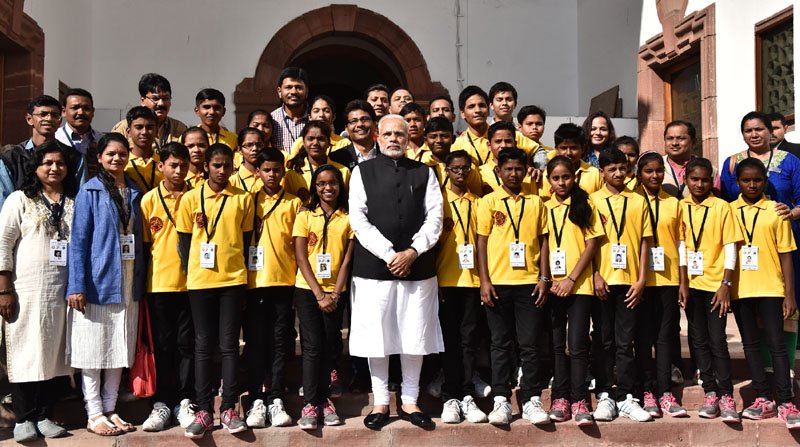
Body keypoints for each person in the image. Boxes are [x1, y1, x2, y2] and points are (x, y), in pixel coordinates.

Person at [348, 114, 444, 430]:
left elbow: (435, 219)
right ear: (377, 136)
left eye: (399, 134)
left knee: (413, 334)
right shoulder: (361, 172)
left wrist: (412, 252)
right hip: (375, 269)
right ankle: (380, 401)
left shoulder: (425, 173)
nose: (393, 139)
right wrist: (391, 255)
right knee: (378, 336)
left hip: (418, 268)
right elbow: (358, 220)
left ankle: (410, 399)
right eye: (387, 133)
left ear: (407, 137)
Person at [66, 132, 145, 436]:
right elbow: (79, 242)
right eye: (110, 153)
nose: (117, 158)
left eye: (122, 154)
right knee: (92, 348)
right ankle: (94, 411)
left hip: (128, 280)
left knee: (119, 345)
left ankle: (111, 408)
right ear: (99, 158)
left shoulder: (135, 191)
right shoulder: (91, 191)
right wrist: (76, 285)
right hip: (99, 279)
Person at [176, 143, 255, 438]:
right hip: (200, 282)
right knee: (202, 345)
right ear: (206, 166)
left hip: (233, 280)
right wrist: (195, 271)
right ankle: (204, 409)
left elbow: (247, 240)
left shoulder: (243, 199)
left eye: (227, 166)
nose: (222, 171)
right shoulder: (189, 199)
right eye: (216, 165)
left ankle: (230, 408)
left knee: (230, 345)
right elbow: (184, 244)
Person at [0, 142, 77, 441]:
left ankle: (45, 414)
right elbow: (3, 243)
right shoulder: (20, 199)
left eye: (60, 163)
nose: (54, 168)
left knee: (55, 354)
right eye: (47, 163)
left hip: (62, 292)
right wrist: (4, 289)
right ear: (36, 167)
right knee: (25, 351)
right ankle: (24, 418)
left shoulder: (72, 201)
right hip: (26, 290)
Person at [719, 111, 800, 374]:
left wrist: (791, 213)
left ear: (771, 131)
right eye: (748, 130)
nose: (754, 134)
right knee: (751, 308)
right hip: (741, 244)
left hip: (784, 240)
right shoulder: (732, 163)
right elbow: (725, 202)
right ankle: (763, 368)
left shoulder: (790, 161)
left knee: (786, 306)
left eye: (759, 129)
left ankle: (784, 365)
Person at [476, 147, 550, 426]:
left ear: (526, 171)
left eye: (519, 168)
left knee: (529, 344)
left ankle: (531, 398)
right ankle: (501, 399)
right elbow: (481, 242)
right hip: (497, 283)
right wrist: (485, 280)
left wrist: (544, 278)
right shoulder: (489, 202)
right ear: (498, 171)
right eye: (508, 169)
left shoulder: (536, 202)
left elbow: (544, 241)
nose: (514, 173)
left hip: (529, 284)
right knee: (500, 343)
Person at [730, 158, 800, 429]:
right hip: (740, 289)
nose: (751, 184)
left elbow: (786, 256)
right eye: (746, 180)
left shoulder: (776, 211)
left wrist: (789, 294)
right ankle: (762, 397)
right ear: (737, 182)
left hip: (771, 287)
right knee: (750, 344)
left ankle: (785, 400)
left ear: (764, 182)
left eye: (757, 180)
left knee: (776, 344)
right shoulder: (728, 210)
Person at [590, 147, 654, 422]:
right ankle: (605, 393)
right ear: (601, 172)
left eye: (622, 168)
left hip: (629, 282)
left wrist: (641, 280)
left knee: (625, 341)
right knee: (603, 340)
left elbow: (644, 242)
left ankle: (627, 396)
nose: (618, 173)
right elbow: (587, 243)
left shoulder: (639, 201)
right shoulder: (592, 200)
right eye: (611, 169)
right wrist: (594, 274)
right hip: (601, 281)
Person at [680, 157, 742, 423]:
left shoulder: (722, 207)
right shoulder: (680, 207)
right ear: (686, 180)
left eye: (705, 179)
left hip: (716, 284)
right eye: (694, 179)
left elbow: (731, 247)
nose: (700, 184)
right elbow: (681, 246)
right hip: (692, 285)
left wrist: (726, 284)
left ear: (712, 180)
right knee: (698, 339)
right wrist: (683, 283)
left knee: (717, 339)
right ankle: (710, 391)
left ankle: (726, 394)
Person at [139, 142, 196, 432]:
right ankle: (162, 402)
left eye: (183, 164)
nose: (178, 170)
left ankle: (184, 400)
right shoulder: (148, 200)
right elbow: (144, 246)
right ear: (160, 166)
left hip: (193, 284)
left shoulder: (197, 196)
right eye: (172, 164)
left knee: (187, 345)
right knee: (162, 346)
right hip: (159, 283)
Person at [292, 165, 354, 430]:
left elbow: (347, 261)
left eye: (332, 183)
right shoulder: (305, 215)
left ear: (340, 186)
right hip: (308, 290)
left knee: (331, 344)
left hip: (334, 291)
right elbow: (301, 256)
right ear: (314, 187)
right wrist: (319, 294)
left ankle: (326, 399)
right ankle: (311, 402)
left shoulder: (348, 217)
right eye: (320, 184)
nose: (327, 188)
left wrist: (335, 293)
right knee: (312, 346)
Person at [544, 155, 604, 426]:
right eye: (555, 178)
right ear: (548, 181)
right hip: (554, 286)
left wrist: (571, 279)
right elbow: (544, 244)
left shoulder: (585, 204)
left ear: (575, 177)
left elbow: (591, 245)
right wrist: (548, 279)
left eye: (566, 177)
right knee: (557, 346)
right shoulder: (545, 207)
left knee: (577, 345)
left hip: (579, 286)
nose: (561, 182)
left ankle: (581, 400)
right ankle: (560, 398)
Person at [243, 148, 300, 428]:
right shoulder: (248, 201)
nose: (272, 175)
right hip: (253, 283)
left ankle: (276, 397)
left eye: (277, 170)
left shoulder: (293, 203)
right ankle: (255, 397)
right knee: (255, 341)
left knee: (280, 342)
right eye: (266, 170)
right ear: (257, 172)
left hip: (284, 280)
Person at [634, 152, 689, 418]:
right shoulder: (632, 201)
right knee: (643, 337)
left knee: (665, 337)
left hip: (667, 279)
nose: (654, 176)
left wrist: (683, 280)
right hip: (640, 281)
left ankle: (666, 391)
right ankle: (646, 390)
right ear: (639, 173)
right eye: (648, 171)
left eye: (658, 171)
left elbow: (681, 243)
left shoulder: (674, 203)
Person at [436, 150, 489, 425]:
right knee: (448, 340)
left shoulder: (479, 203)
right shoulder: (438, 201)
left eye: (465, 169)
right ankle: (450, 395)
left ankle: (467, 393)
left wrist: (484, 281)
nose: (460, 173)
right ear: (446, 170)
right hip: (445, 280)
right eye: (455, 168)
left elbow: (484, 244)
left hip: (472, 281)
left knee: (469, 340)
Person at [0, 95, 81, 210]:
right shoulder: (11, 157)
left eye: (54, 115)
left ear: (59, 121)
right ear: (29, 119)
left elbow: (81, 198)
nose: (48, 119)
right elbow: (4, 203)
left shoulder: (73, 156)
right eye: (42, 114)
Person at [451, 86, 537, 167]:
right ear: (462, 114)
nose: (477, 110)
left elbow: (538, 151)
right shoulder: (457, 146)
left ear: (488, 110)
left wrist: (538, 170)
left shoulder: (508, 135)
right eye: (471, 106)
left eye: (482, 105)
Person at [110, 73, 188, 150]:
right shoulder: (123, 128)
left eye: (165, 98)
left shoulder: (180, 128)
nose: (161, 103)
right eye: (155, 99)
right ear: (142, 100)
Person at [285, 120, 350, 203]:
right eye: (310, 139)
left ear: (328, 143)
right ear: (303, 143)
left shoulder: (343, 172)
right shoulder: (293, 175)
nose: (315, 143)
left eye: (321, 139)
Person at [539, 123, 603, 200]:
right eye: (564, 148)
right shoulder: (547, 174)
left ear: (582, 149)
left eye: (573, 148)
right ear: (556, 149)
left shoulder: (594, 173)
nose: (568, 153)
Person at [422, 117, 482, 196]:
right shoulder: (421, 167)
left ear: (453, 139)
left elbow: (477, 196)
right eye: (433, 137)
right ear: (425, 140)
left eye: (444, 136)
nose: (439, 140)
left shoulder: (468, 168)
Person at [660, 120, 720, 199]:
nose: (674, 143)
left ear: (694, 142)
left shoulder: (709, 169)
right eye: (670, 138)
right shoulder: (656, 167)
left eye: (681, 138)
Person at [56, 88, 103, 184]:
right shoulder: (55, 138)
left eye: (86, 108)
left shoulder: (102, 140)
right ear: (64, 111)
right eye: (75, 108)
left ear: (93, 112)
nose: (81, 112)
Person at [478, 121, 536, 195]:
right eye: (498, 141)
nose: (503, 145)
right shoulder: (479, 173)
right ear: (489, 145)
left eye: (508, 141)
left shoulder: (529, 173)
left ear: (515, 144)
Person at [329, 100, 378, 171]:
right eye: (354, 121)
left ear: (374, 124)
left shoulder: (387, 153)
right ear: (346, 128)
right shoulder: (336, 158)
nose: (360, 124)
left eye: (364, 119)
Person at [271, 67, 310, 152]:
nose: (293, 92)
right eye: (288, 87)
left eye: (298, 87)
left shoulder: (316, 117)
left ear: (306, 91)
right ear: (279, 91)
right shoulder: (272, 120)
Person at [123, 106, 161, 192]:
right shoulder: (122, 162)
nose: (144, 132)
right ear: (128, 132)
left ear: (157, 132)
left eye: (150, 127)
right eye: (139, 127)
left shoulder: (164, 162)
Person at [230, 128, 266, 194]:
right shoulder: (232, 181)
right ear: (239, 150)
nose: (254, 149)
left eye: (259, 145)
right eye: (249, 145)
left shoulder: (271, 177)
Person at [518, 105, 551, 170]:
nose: (534, 127)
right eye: (529, 124)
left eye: (539, 124)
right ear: (520, 127)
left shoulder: (551, 153)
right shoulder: (514, 149)